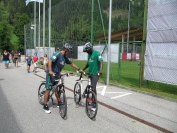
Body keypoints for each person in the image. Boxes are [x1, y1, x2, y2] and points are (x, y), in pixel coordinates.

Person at [43, 43, 81, 114]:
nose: (69, 53)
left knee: (58, 88)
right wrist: (50, 71)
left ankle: (59, 102)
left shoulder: (64, 57)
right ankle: (45, 105)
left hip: (57, 74)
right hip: (51, 74)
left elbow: (71, 64)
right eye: (69, 51)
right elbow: (50, 61)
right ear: (66, 50)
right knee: (48, 89)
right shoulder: (58, 54)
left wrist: (79, 69)